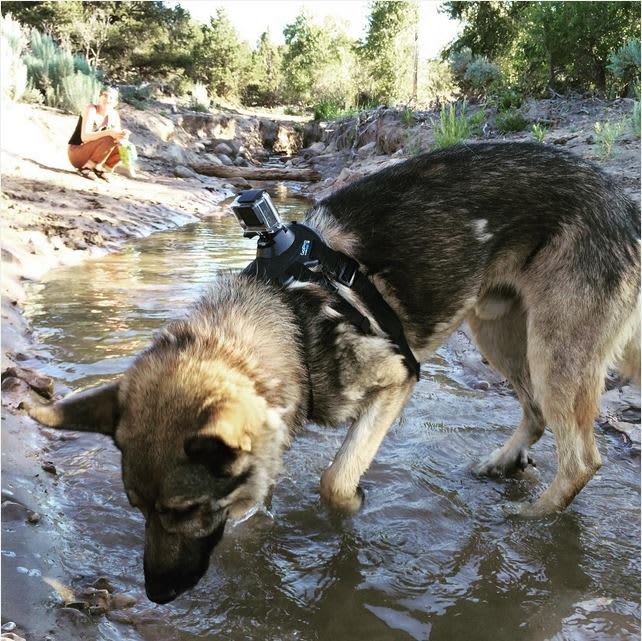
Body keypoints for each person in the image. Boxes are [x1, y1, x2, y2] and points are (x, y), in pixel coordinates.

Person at [67, 86, 131, 181]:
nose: (107, 99)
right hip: (77, 152)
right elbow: (84, 137)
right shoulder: (91, 109)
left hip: (96, 155)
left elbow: (117, 139)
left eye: (111, 98)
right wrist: (109, 132)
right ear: (99, 97)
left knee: (125, 145)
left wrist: (122, 135)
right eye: (105, 95)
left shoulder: (114, 115)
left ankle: (101, 169)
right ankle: (86, 168)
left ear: (115, 103)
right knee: (109, 137)